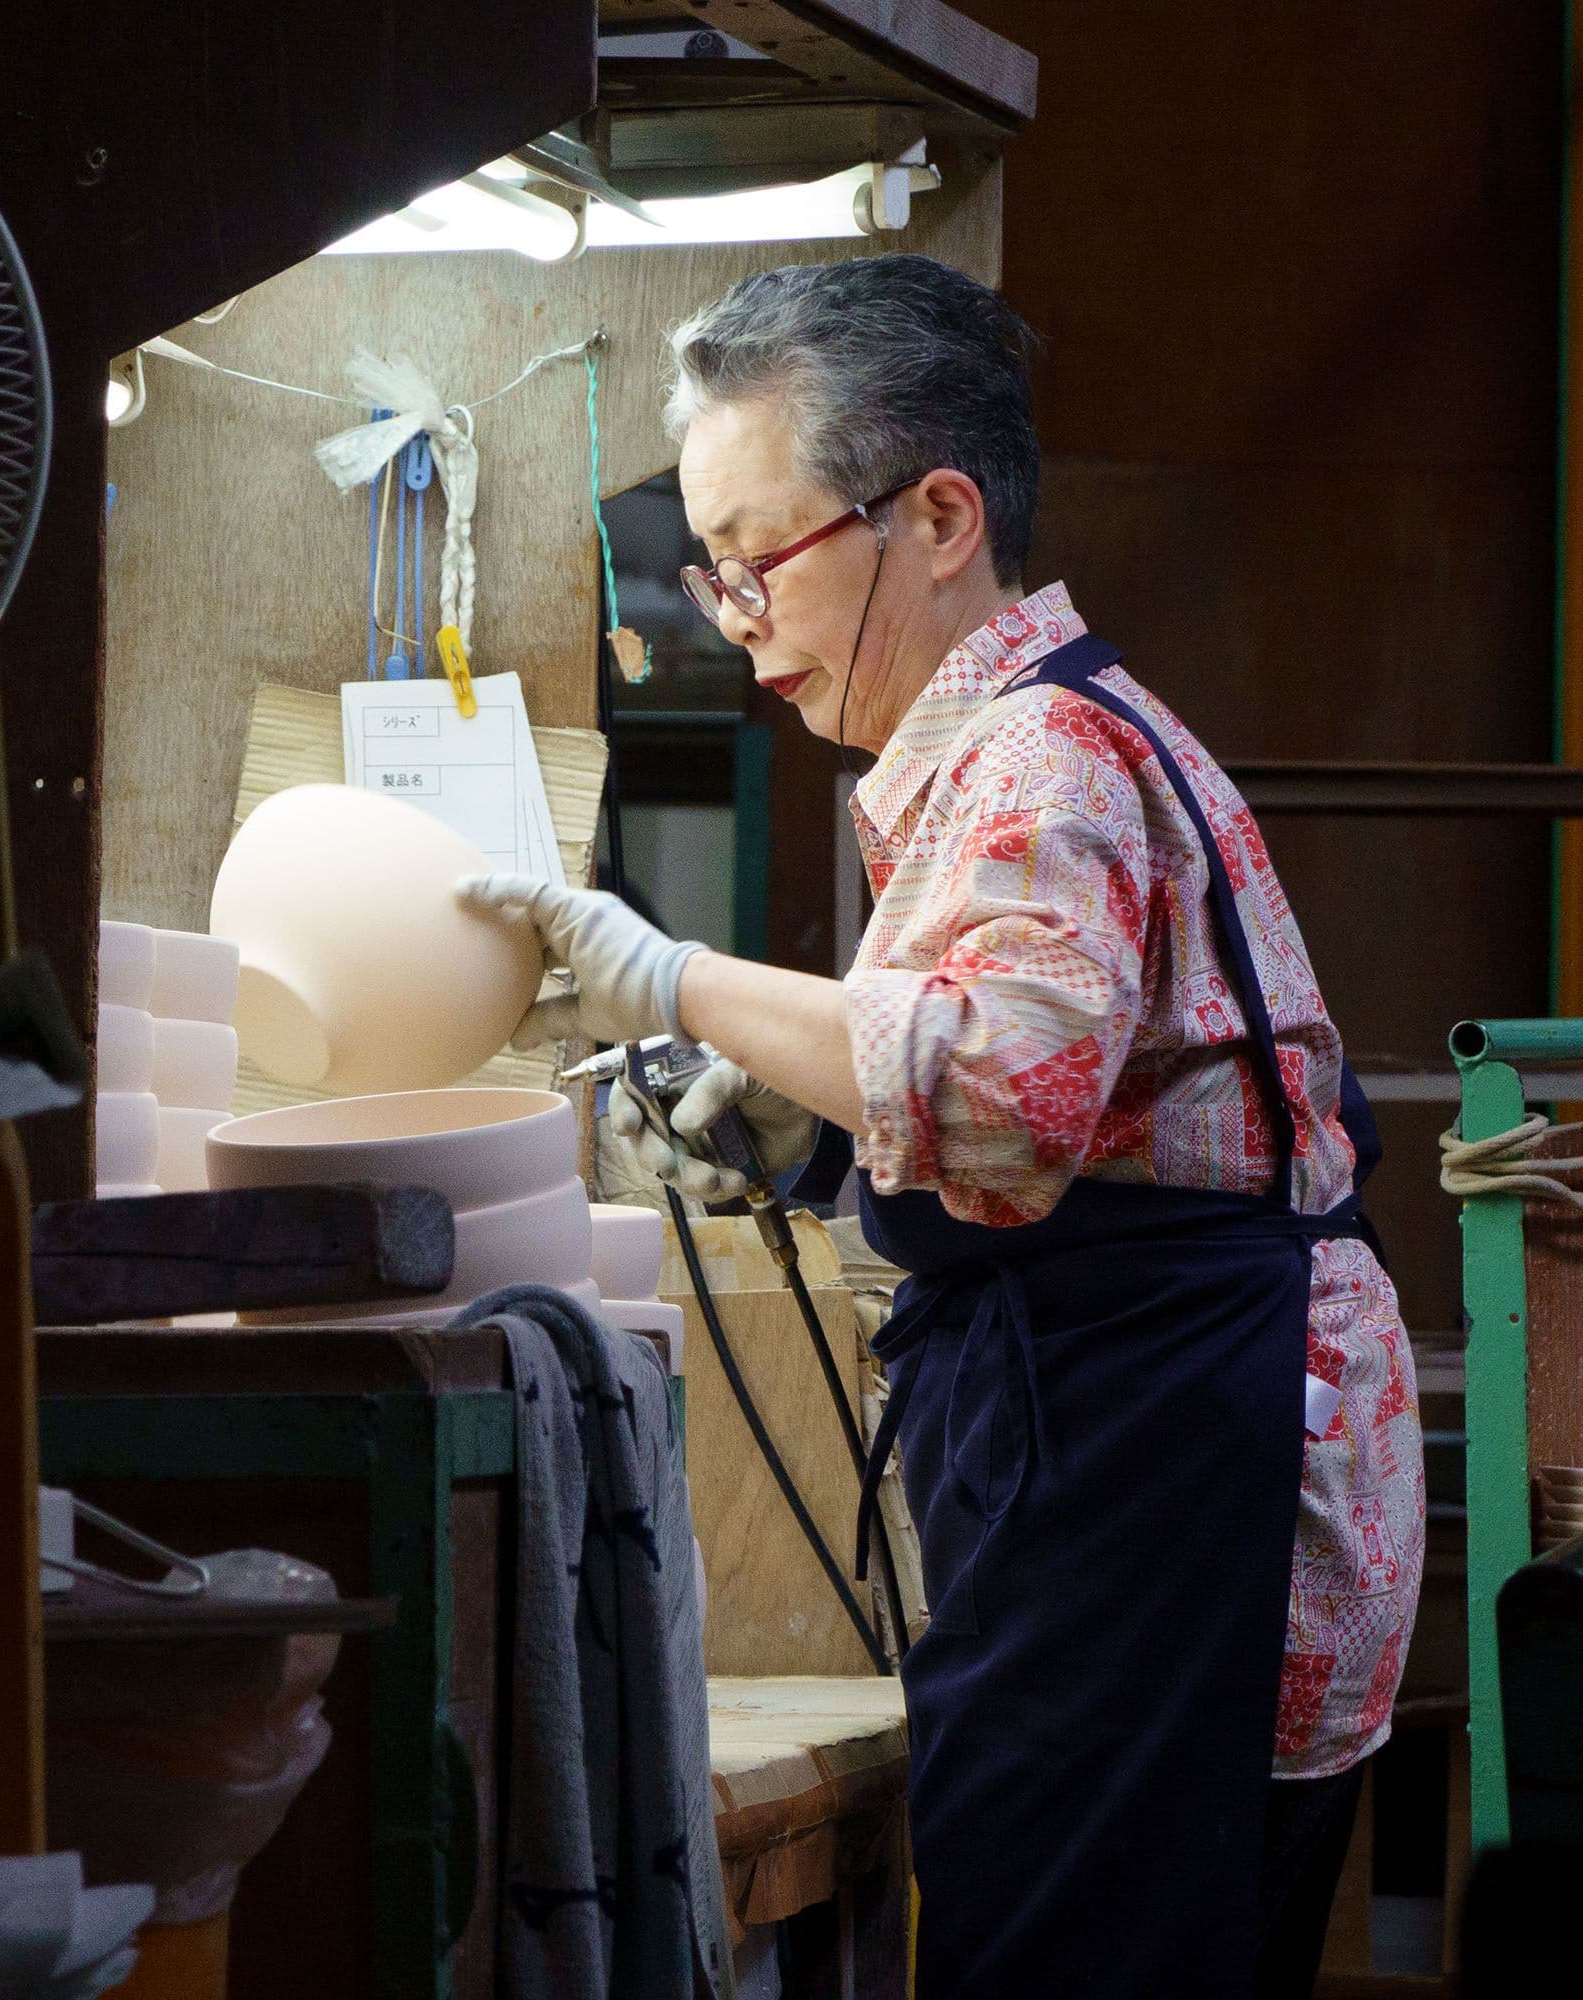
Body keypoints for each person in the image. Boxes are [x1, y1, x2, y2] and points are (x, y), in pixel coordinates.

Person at [459, 254, 1423, 1996]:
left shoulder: (1041, 755)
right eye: (713, 572)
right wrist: (808, 1126)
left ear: (941, 515)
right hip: (1140, 1423)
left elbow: (999, 1090)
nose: (736, 618)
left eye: (760, 563)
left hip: (1170, 1455)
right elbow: (1078, 1095)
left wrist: (665, 977)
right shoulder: (1004, 755)